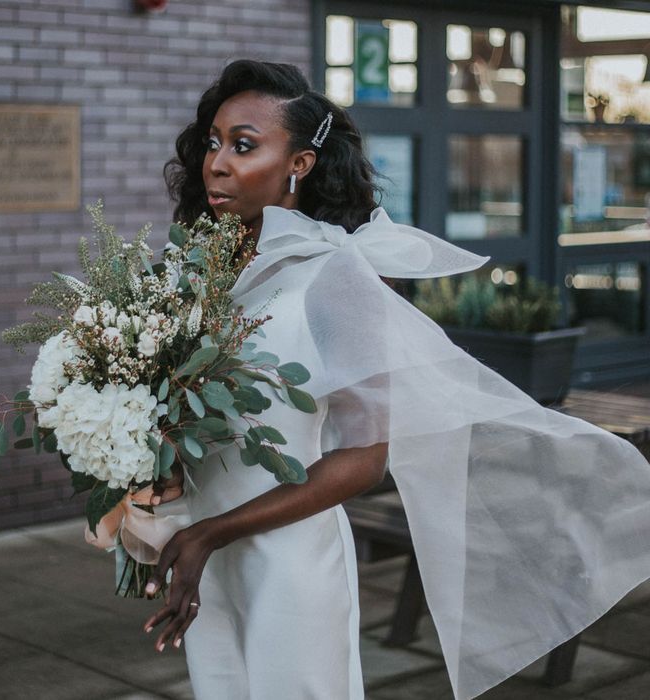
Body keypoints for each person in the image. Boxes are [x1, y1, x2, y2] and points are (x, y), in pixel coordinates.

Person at [140, 59, 650, 700]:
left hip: (282, 557)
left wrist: (208, 534)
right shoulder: (203, 274)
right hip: (200, 554)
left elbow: (364, 460)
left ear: (299, 163)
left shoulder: (333, 279)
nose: (217, 162)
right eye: (213, 142)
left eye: (244, 145)